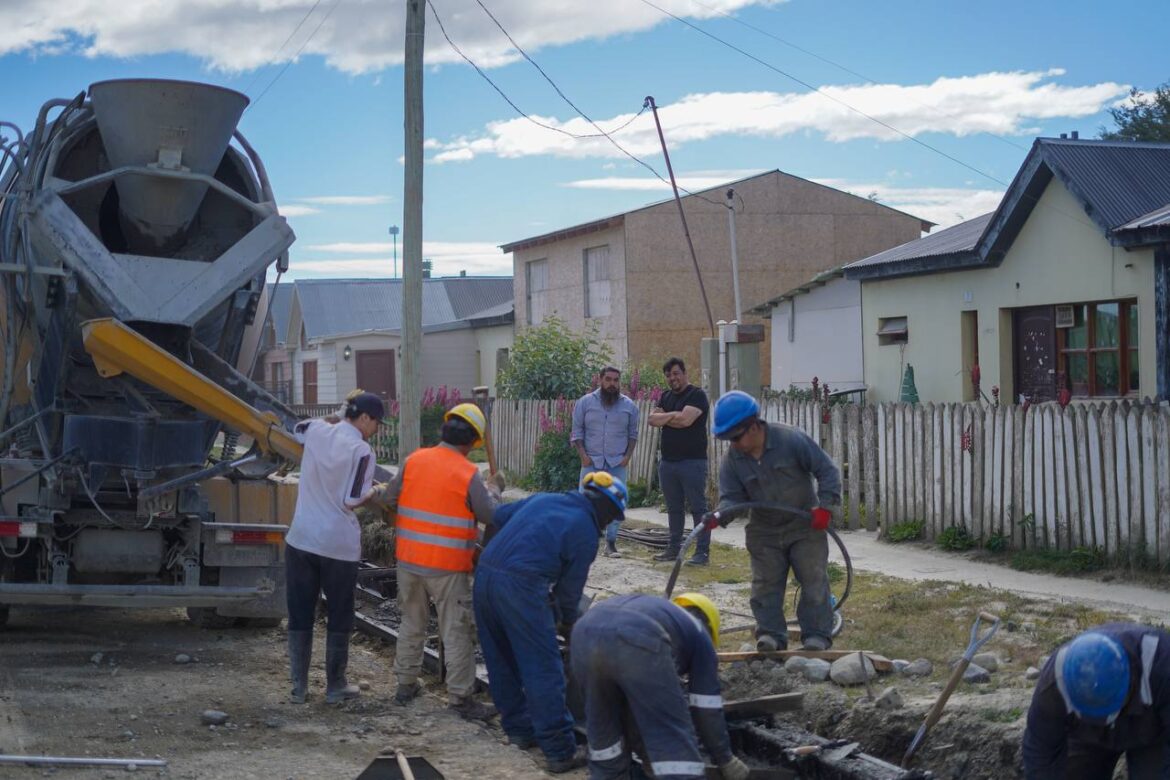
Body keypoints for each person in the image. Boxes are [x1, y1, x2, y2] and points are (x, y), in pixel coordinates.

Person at [473, 472, 628, 774]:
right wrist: (569, 625)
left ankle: (519, 731)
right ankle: (559, 751)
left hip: (485, 575)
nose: (608, 523)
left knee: (501, 660)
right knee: (543, 668)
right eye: (611, 517)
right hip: (521, 587)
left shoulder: (545, 499)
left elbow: (498, 515)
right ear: (606, 509)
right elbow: (569, 594)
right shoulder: (585, 531)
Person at [372, 403, 499, 721]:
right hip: (447, 567)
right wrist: (495, 488)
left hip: (409, 561)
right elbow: (490, 515)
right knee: (455, 630)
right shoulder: (468, 473)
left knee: (411, 623)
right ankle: (460, 698)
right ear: (472, 441)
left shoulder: (414, 460)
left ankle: (405, 685)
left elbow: (388, 499)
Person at [570, 592, 750, 780]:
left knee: (604, 734)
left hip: (584, 633)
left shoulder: (665, 616)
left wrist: (648, 757)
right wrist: (725, 758)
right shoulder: (700, 635)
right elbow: (706, 707)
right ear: (710, 627)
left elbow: (632, 712)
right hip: (636, 635)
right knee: (671, 736)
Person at [712, 390, 841, 653]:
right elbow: (731, 498)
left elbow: (827, 470)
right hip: (764, 530)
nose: (732, 445)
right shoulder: (733, 461)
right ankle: (771, 635)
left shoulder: (790, 440)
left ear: (753, 426)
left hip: (804, 525)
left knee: (814, 580)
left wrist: (825, 507)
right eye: (727, 439)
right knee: (765, 585)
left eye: (735, 437)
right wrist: (719, 515)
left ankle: (816, 636)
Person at [285, 391, 384, 705]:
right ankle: (335, 685)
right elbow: (351, 499)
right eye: (376, 423)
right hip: (337, 545)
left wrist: (335, 417)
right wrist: (375, 491)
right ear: (364, 418)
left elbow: (297, 428)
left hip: (301, 538)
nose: (376, 429)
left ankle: (299, 688)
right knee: (340, 613)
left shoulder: (317, 431)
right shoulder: (361, 450)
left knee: (300, 611)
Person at [1022, 623, 1170, 779]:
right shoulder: (1054, 685)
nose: (1105, 720)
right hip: (1087, 735)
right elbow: (1040, 751)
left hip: (1152, 733)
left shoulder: (1163, 665)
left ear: (1131, 680)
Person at [647, 357, 711, 566]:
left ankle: (702, 553)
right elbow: (652, 419)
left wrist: (667, 417)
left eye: (676, 373)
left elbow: (686, 420)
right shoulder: (665, 396)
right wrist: (675, 414)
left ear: (684, 373)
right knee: (674, 508)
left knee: (698, 508)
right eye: (668, 375)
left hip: (692, 462)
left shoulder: (697, 395)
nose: (672, 378)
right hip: (668, 463)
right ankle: (673, 549)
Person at [572, 366, 639, 558]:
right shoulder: (585, 403)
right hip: (591, 462)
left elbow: (633, 435)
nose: (612, 384)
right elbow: (577, 432)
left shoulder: (629, 406)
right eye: (608, 379)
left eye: (616, 380)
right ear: (600, 380)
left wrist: (627, 457)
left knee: (616, 502)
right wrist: (583, 456)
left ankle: (610, 543)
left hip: (617, 462)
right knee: (585, 502)